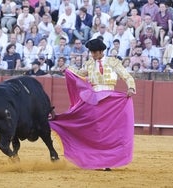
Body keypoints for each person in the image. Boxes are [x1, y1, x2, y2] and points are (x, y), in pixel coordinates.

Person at [50, 38, 136, 171]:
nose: (93, 55)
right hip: (94, 101)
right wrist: (68, 70)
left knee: (109, 132)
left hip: (110, 102)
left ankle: (107, 161)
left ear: (101, 51)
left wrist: (130, 87)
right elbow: (78, 75)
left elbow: (127, 76)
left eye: (95, 52)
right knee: (96, 132)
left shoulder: (113, 62)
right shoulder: (89, 64)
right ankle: (96, 160)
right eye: (91, 52)